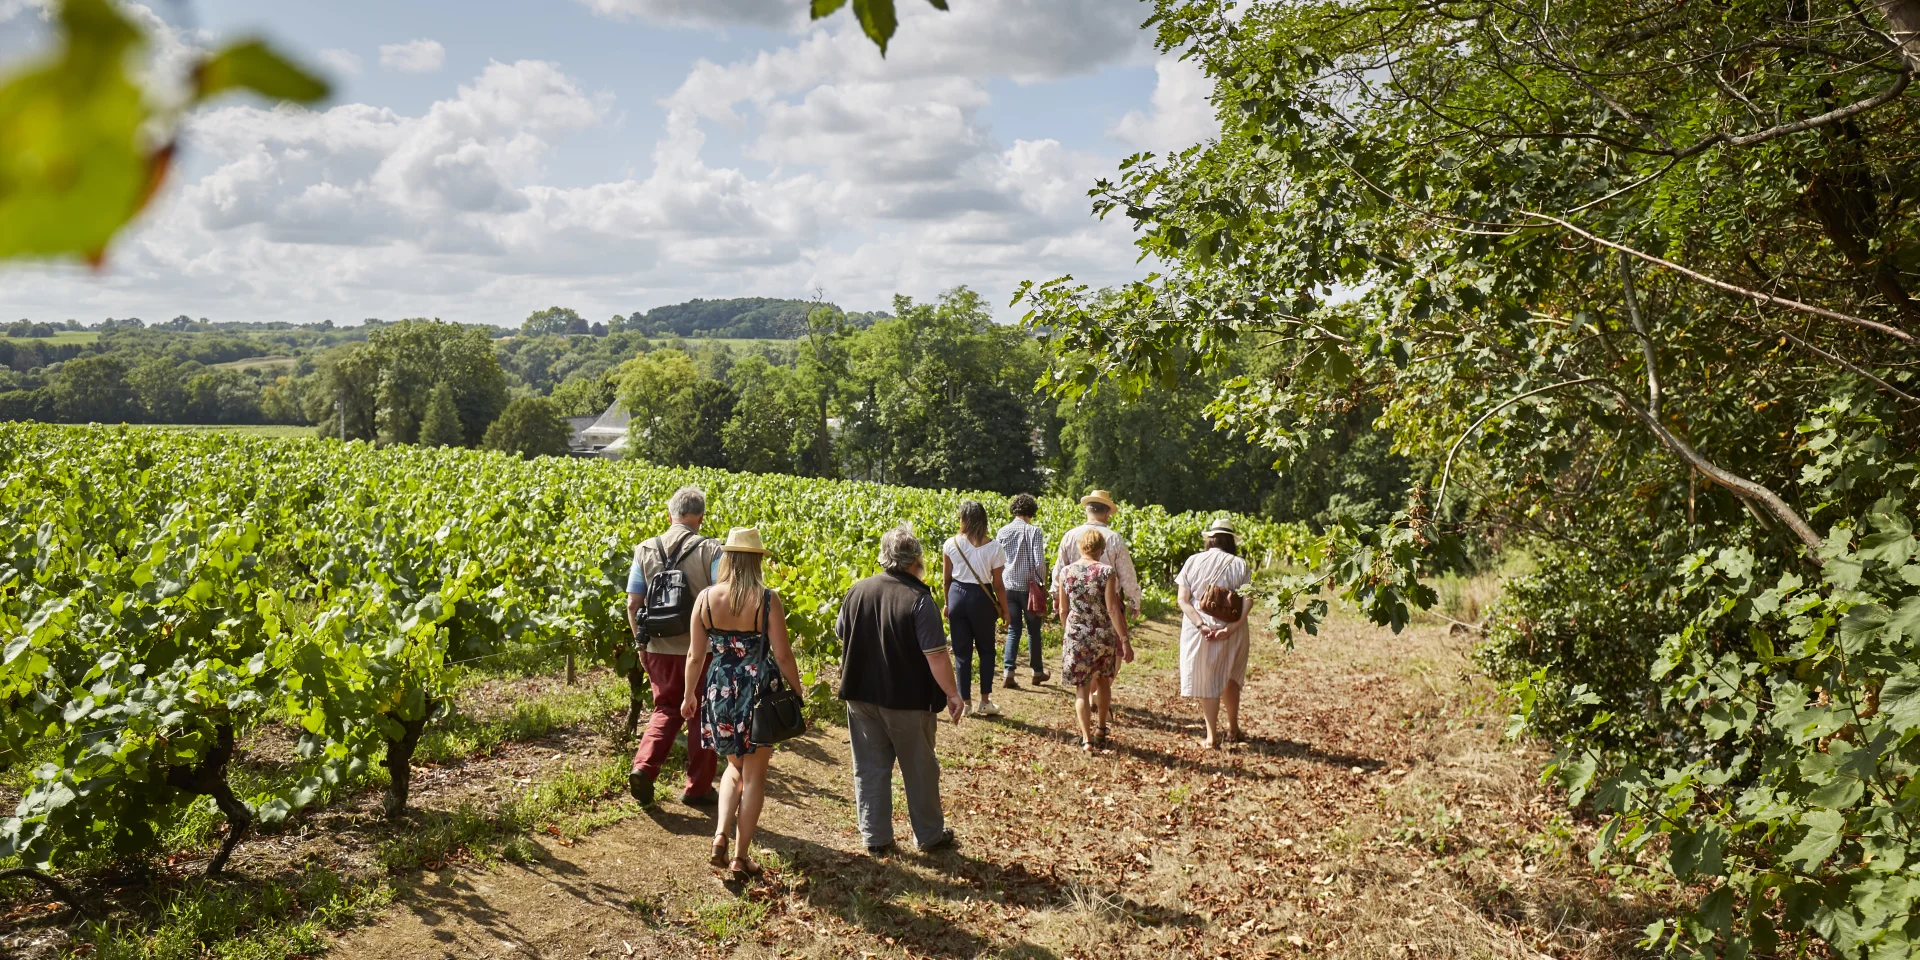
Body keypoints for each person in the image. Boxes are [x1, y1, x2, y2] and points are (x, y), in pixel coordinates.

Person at [681, 527, 802, 881]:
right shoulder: (767, 600)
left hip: (718, 689)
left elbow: (693, 654)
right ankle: (739, 856)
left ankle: (719, 836)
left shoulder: (705, 598)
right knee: (754, 775)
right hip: (757, 692)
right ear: (756, 561)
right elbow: (782, 653)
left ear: (729, 558)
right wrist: (795, 692)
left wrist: (690, 695)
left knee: (733, 769)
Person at [836, 527, 965, 856]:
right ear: (916, 561)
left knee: (869, 767)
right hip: (907, 700)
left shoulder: (857, 590)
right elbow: (936, 655)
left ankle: (876, 837)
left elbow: (842, 632)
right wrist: (952, 694)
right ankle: (929, 836)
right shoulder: (920, 600)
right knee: (919, 769)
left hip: (860, 695)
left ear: (884, 557)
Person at [626, 485, 725, 807]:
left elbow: (632, 603)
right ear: (701, 517)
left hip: (658, 645)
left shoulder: (645, 549)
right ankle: (697, 788)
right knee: (703, 715)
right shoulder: (711, 550)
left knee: (665, 709)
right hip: (704, 649)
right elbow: (721, 598)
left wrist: (642, 642)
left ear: (670, 515)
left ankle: (643, 767)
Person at [1176, 518, 1253, 749]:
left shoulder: (1192, 561)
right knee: (1230, 677)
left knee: (1206, 679)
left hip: (1199, 629)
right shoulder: (1241, 565)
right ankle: (1233, 728)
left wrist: (1201, 625)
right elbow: (1248, 601)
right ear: (1231, 540)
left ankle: (1211, 736)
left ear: (1210, 539)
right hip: (1232, 627)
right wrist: (1232, 627)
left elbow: (1183, 599)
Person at [1055, 527, 1132, 751]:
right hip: (1102, 635)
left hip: (1077, 635)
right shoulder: (1106, 572)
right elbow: (1112, 609)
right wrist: (1124, 639)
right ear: (1101, 550)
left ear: (1080, 547)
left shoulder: (1066, 572)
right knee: (1103, 681)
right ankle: (1101, 728)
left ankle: (1086, 739)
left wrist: (1070, 632)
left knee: (1081, 688)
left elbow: (1062, 609)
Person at [941, 500, 1007, 717]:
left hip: (957, 595)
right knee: (986, 649)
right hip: (982, 598)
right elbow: (998, 584)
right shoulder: (994, 547)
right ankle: (985, 700)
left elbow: (946, 579)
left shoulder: (951, 544)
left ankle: (966, 702)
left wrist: (947, 603)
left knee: (961, 652)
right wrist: (1005, 609)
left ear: (963, 520)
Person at [1053, 490, 1142, 618]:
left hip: (1076, 605)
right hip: (1108, 606)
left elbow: (1059, 569)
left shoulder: (1070, 536)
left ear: (1087, 511)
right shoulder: (1114, 538)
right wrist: (1134, 601)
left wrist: (1057, 595)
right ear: (1107, 513)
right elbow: (1127, 575)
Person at [997, 494, 1049, 689]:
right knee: (1034, 631)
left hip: (1008, 586)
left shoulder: (1002, 531)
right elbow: (1039, 562)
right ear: (1031, 513)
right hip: (1029, 588)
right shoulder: (1034, 531)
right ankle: (1037, 672)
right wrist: (1041, 582)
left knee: (1013, 630)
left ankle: (1008, 673)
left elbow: (998, 561)